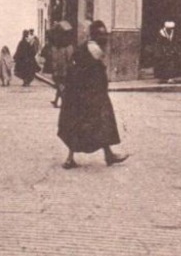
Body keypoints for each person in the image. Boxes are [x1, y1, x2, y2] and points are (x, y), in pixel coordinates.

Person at [58, 20, 125, 169]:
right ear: (95, 35)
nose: (105, 37)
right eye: (102, 34)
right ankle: (73, 158)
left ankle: (107, 155)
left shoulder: (85, 48)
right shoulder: (92, 49)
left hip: (89, 94)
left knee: (98, 124)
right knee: (94, 123)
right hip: (87, 95)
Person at [50, 25, 74, 108]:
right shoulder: (68, 46)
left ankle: (59, 101)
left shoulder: (56, 46)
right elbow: (70, 58)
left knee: (60, 85)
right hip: (65, 69)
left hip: (59, 69)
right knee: (61, 85)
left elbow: (55, 58)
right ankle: (60, 101)